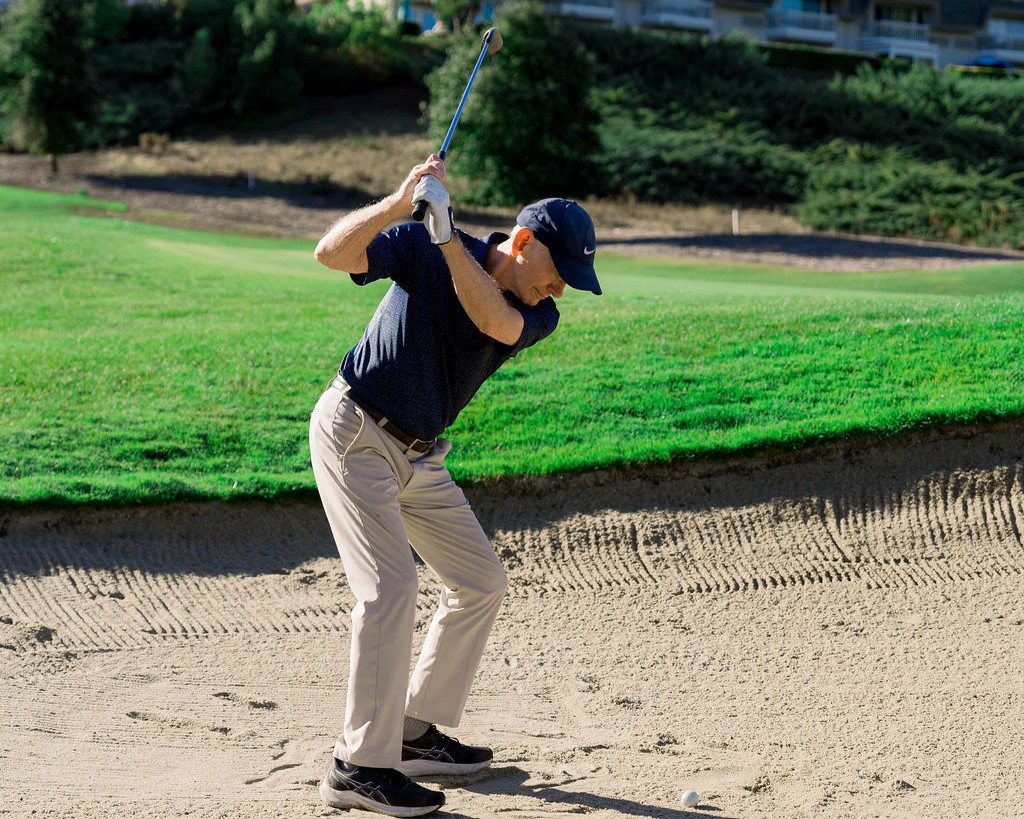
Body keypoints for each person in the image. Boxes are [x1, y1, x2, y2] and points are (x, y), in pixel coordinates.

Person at [308, 154, 602, 817]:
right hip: (356, 431)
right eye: (559, 273)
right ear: (522, 243)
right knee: (389, 589)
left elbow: (493, 319)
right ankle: (358, 765)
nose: (560, 290)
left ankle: (411, 732)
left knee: (480, 581)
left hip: (421, 456)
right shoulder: (421, 242)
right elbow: (330, 254)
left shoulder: (534, 312)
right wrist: (399, 204)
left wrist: (444, 237)